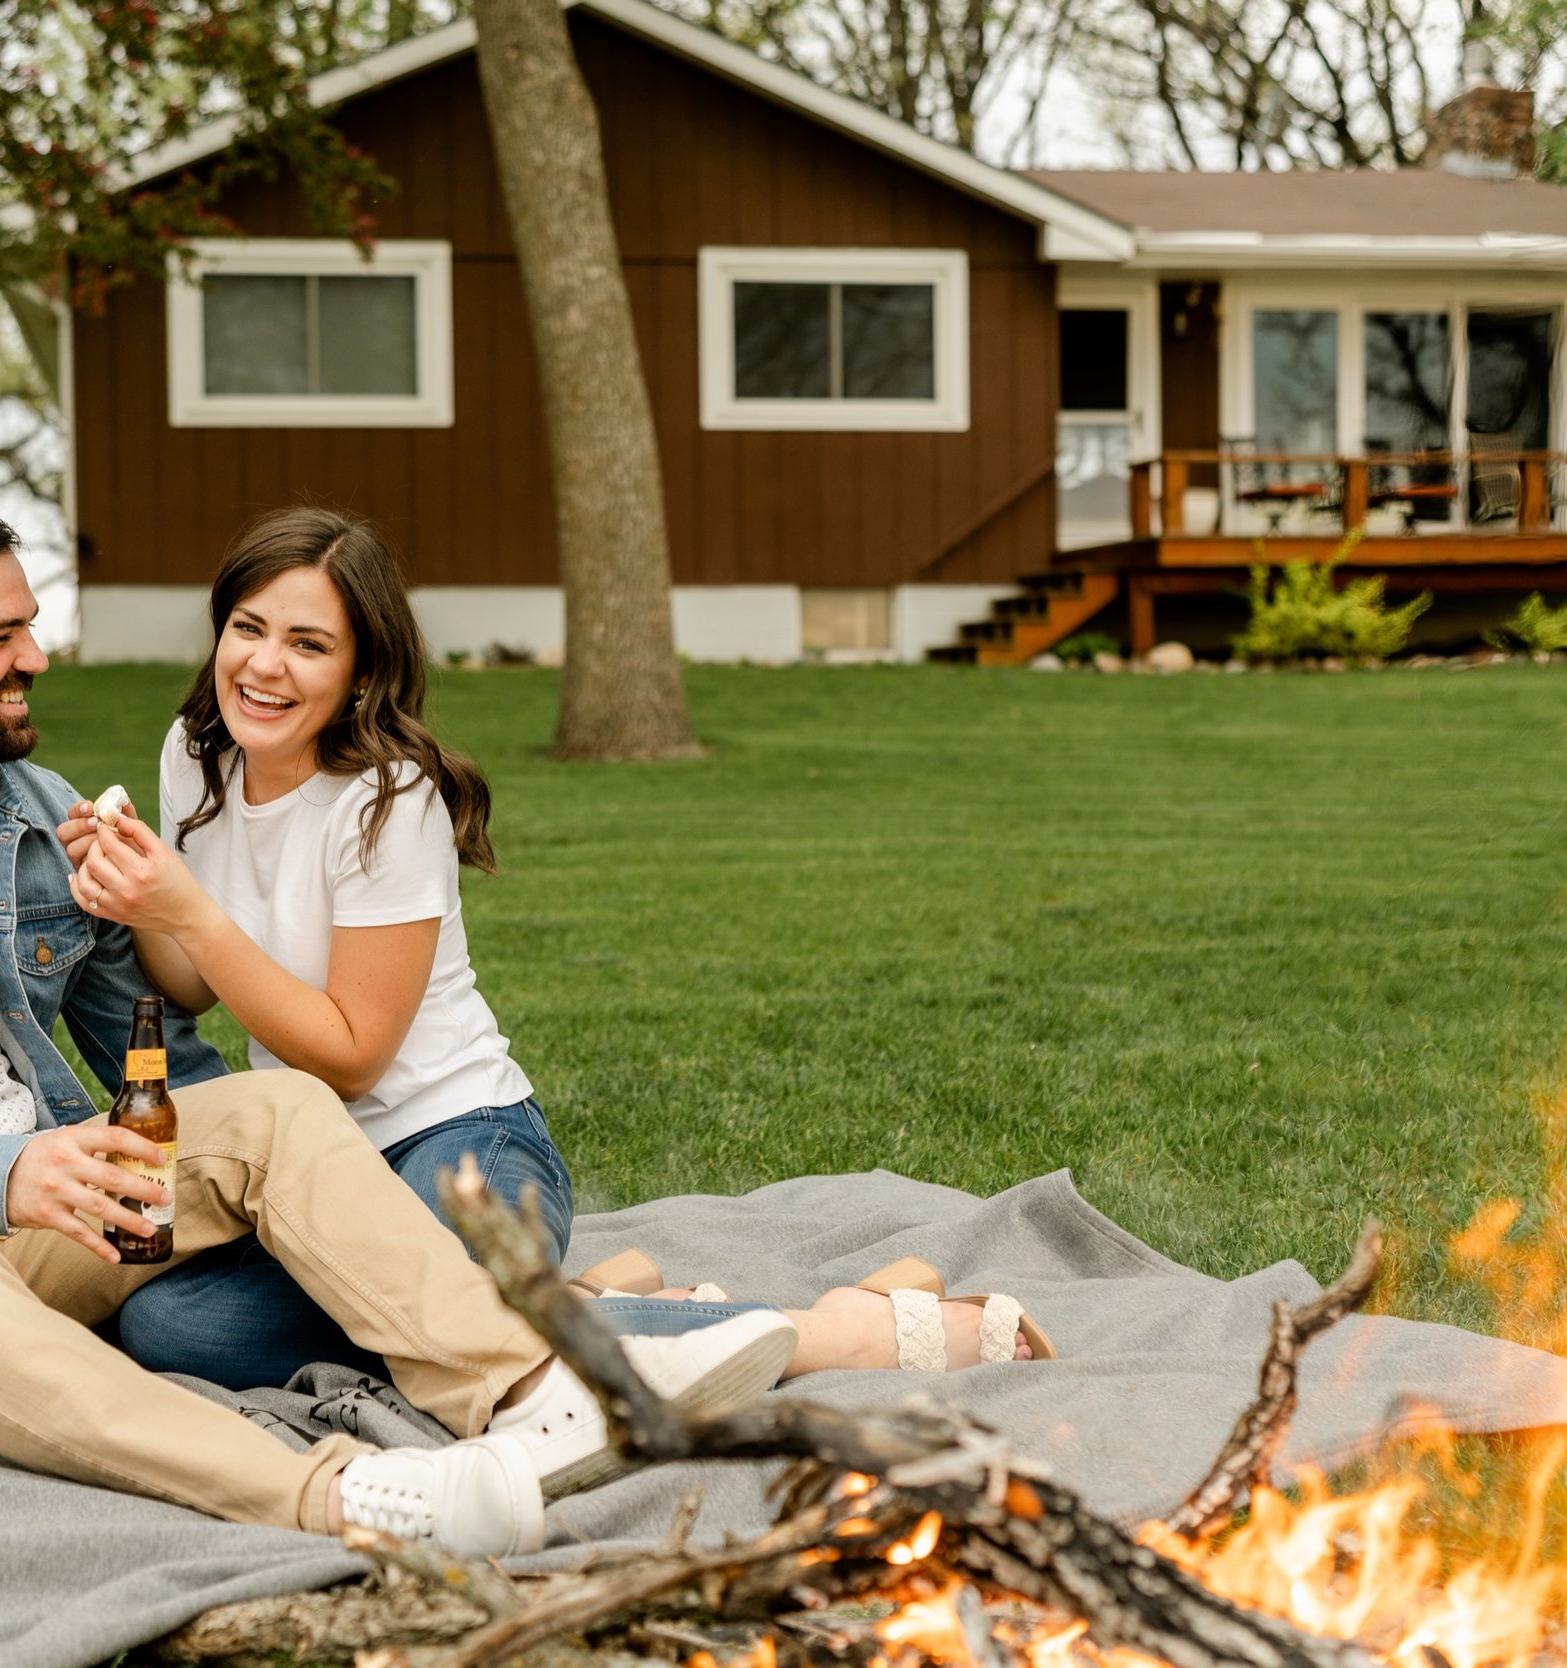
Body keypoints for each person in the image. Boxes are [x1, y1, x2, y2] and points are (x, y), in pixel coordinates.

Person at [0, 491, 797, 1558]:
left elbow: (155, 1047)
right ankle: (349, 1494)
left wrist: (287, 1197)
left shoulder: (43, 818)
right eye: (3, 636)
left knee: (276, 1103)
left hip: (43, 1214)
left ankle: (533, 1395)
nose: (39, 659)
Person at [65, 508, 1052, 1385]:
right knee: (172, 1324)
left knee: (452, 1314)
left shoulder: (387, 799)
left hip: (459, 1144)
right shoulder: (196, 752)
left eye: (307, 644)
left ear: (361, 670)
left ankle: (831, 1331)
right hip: (323, 1172)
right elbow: (190, 986)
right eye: (248, 629)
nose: (263, 666)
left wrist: (188, 909)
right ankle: (609, 1306)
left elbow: (355, 1050)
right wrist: (135, 899)